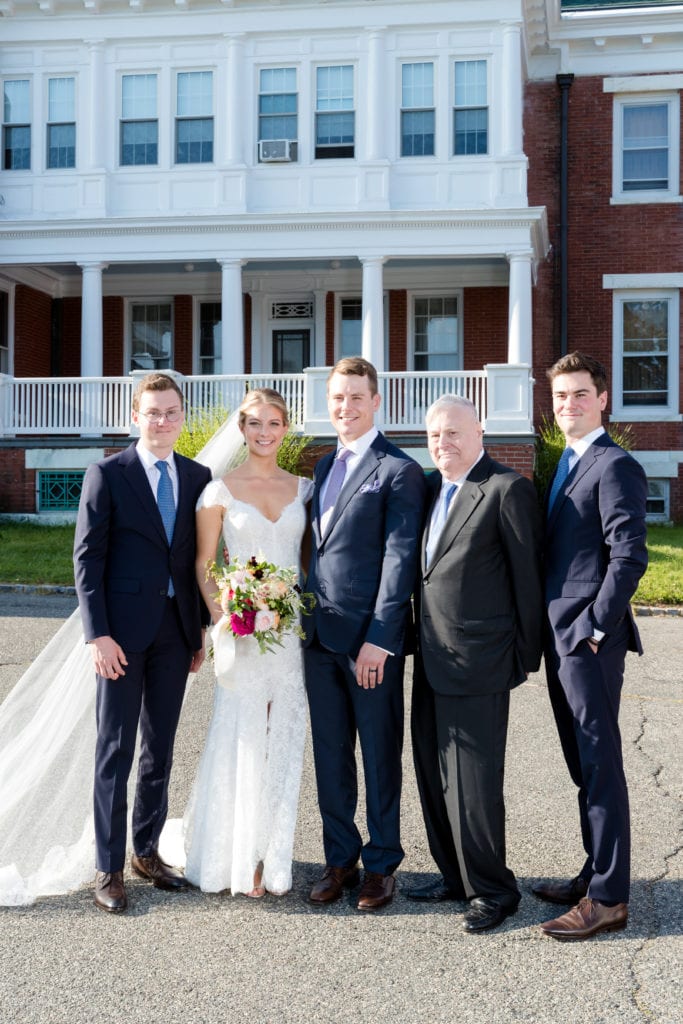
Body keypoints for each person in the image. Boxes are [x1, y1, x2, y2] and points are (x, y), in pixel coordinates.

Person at [74, 371, 212, 913]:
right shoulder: (108, 474)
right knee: (115, 748)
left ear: (182, 417)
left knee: (160, 747)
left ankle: (147, 852)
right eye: (152, 412)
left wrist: (197, 627)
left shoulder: (198, 476)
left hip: (176, 634)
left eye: (171, 412)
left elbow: (196, 559)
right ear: (136, 416)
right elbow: (87, 560)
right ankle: (108, 868)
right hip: (121, 638)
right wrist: (98, 635)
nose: (162, 421)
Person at [407, 394, 543, 932]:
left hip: (481, 663)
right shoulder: (430, 490)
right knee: (432, 774)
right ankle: (453, 876)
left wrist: (523, 658)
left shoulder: (506, 490)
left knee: (475, 785)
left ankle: (493, 890)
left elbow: (527, 583)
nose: (444, 442)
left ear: (480, 432)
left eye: (454, 432)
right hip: (432, 658)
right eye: (436, 434)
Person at [303, 356, 426, 911]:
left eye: (356, 397)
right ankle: (340, 858)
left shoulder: (397, 470)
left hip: (369, 644)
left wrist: (381, 637)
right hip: (317, 641)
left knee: (378, 755)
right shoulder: (323, 466)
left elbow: (400, 562)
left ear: (377, 402)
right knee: (331, 755)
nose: (345, 407)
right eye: (337, 398)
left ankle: (381, 865)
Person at [178, 388, 312, 898]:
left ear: (284, 428)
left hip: (292, 632)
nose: (264, 432)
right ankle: (237, 857)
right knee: (243, 736)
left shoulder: (305, 488)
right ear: (242, 428)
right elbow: (205, 564)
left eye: (274, 423)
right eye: (254, 423)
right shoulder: (218, 492)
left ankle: (271, 854)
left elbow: (303, 565)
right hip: (243, 630)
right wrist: (227, 617)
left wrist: (282, 609)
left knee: (284, 737)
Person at [533, 352, 648, 941]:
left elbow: (629, 556)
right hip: (561, 639)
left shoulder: (614, 464)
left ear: (602, 399)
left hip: (589, 642)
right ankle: (594, 868)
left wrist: (596, 629)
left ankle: (608, 898)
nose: (568, 405)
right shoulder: (564, 464)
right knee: (583, 765)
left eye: (579, 394)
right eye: (560, 396)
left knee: (601, 765)